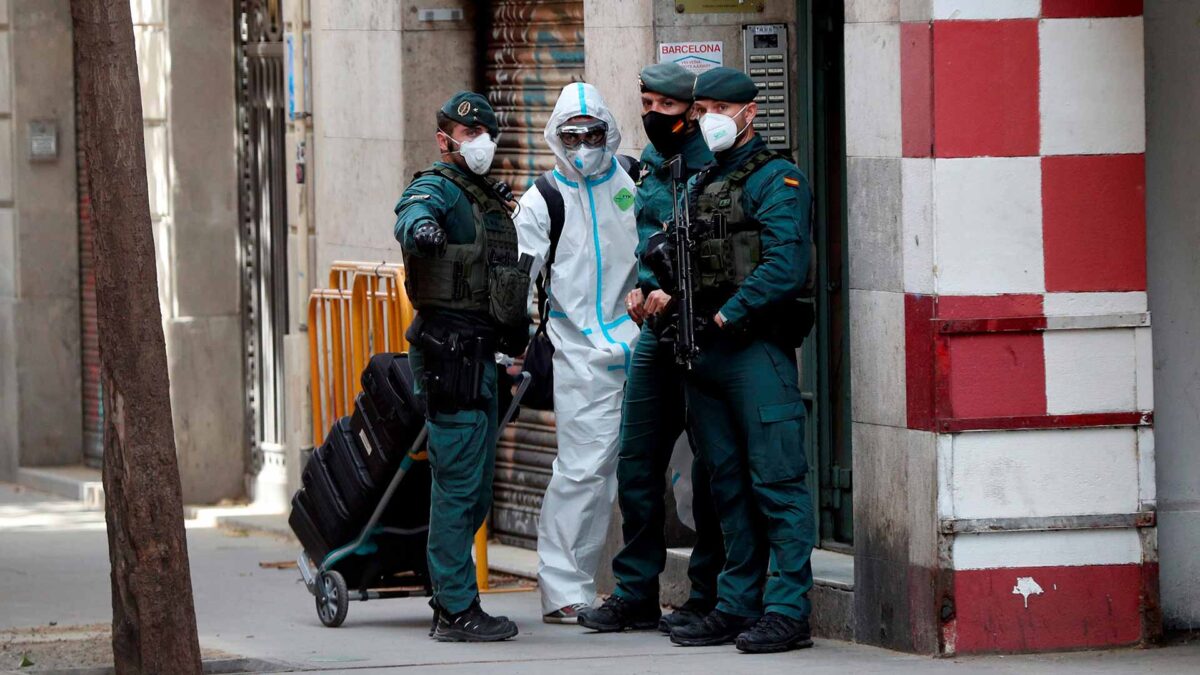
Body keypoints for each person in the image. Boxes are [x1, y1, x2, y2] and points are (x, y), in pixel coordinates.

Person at [653, 67, 817, 654]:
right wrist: (660, 293)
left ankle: (787, 610)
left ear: (749, 113)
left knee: (777, 483)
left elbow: (785, 265)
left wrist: (724, 314)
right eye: (702, 111)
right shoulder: (698, 182)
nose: (707, 121)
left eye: (720, 110)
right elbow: (679, 256)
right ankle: (736, 604)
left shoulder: (778, 179)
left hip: (754, 351)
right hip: (705, 357)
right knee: (727, 488)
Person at [578, 62, 725, 635]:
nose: (652, 115)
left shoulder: (717, 169)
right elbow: (648, 250)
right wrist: (643, 289)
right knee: (637, 466)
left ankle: (707, 594)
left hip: (708, 336)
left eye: (665, 107)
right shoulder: (656, 173)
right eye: (646, 103)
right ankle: (635, 591)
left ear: (693, 111)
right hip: (655, 339)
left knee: (713, 471)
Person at [394, 91, 531, 642]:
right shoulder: (439, 188)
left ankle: (448, 596)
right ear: (444, 139)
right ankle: (455, 610)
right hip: (451, 355)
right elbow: (411, 209)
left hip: (483, 356)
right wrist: (420, 229)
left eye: (485, 134)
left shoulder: (486, 198)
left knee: (473, 491)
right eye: (466, 133)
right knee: (456, 486)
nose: (478, 143)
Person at [513, 82, 641, 624]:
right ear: (557, 138)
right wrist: (510, 345)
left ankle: (703, 582)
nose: (584, 144)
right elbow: (518, 280)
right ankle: (565, 589)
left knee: (685, 462)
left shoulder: (634, 181)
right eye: (573, 136)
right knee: (584, 471)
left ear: (607, 131)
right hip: (580, 353)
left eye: (592, 134)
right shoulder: (542, 201)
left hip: (646, 345)